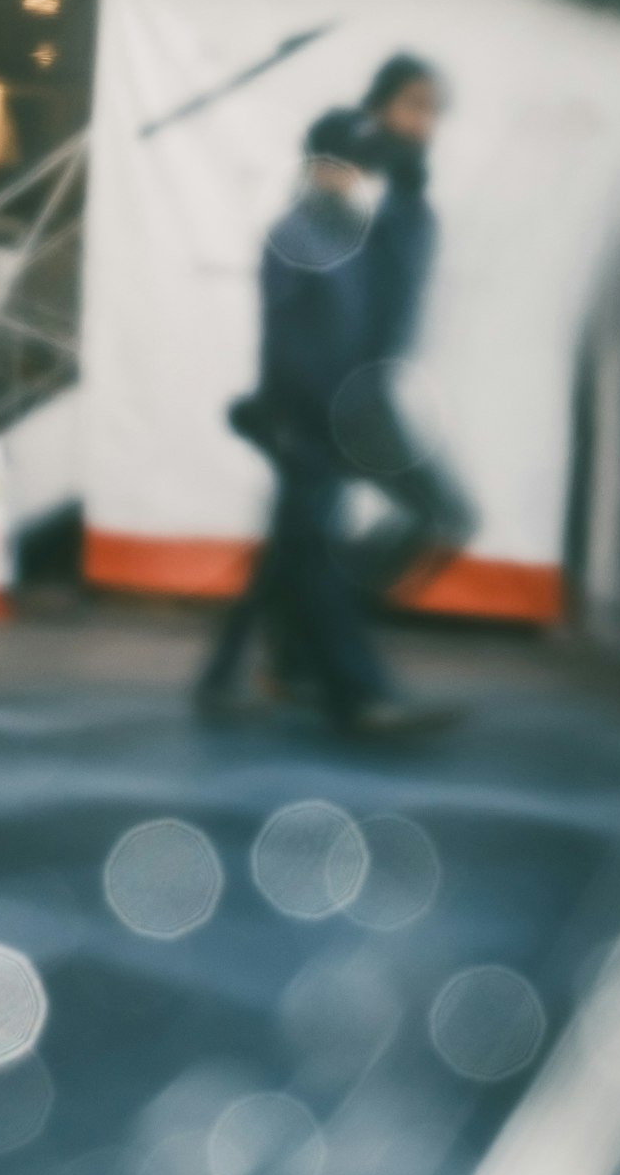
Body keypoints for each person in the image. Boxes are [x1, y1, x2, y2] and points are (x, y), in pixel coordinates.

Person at [195, 113, 458, 738]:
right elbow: (285, 340)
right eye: (348, 161)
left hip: (341, 413)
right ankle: (361, 696)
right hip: (308, 419)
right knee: (311, 551)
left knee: (293, 555)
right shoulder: (296, 233)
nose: (356, 173)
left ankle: (229, 676)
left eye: (362, 164)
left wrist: (412, 190)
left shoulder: (353, 231)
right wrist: (285, 416)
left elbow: (391, 297)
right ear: (318, 162)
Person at [338, 54, 480, 598]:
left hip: (370, 384)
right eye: (414, 106)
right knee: (443, 513)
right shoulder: (363, 181)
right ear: (379, 108)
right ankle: (328, 615)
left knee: (441, 515)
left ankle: (318, 619)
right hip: (348, 390)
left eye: (434, 111)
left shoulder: (404, 184)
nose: (426, 123)